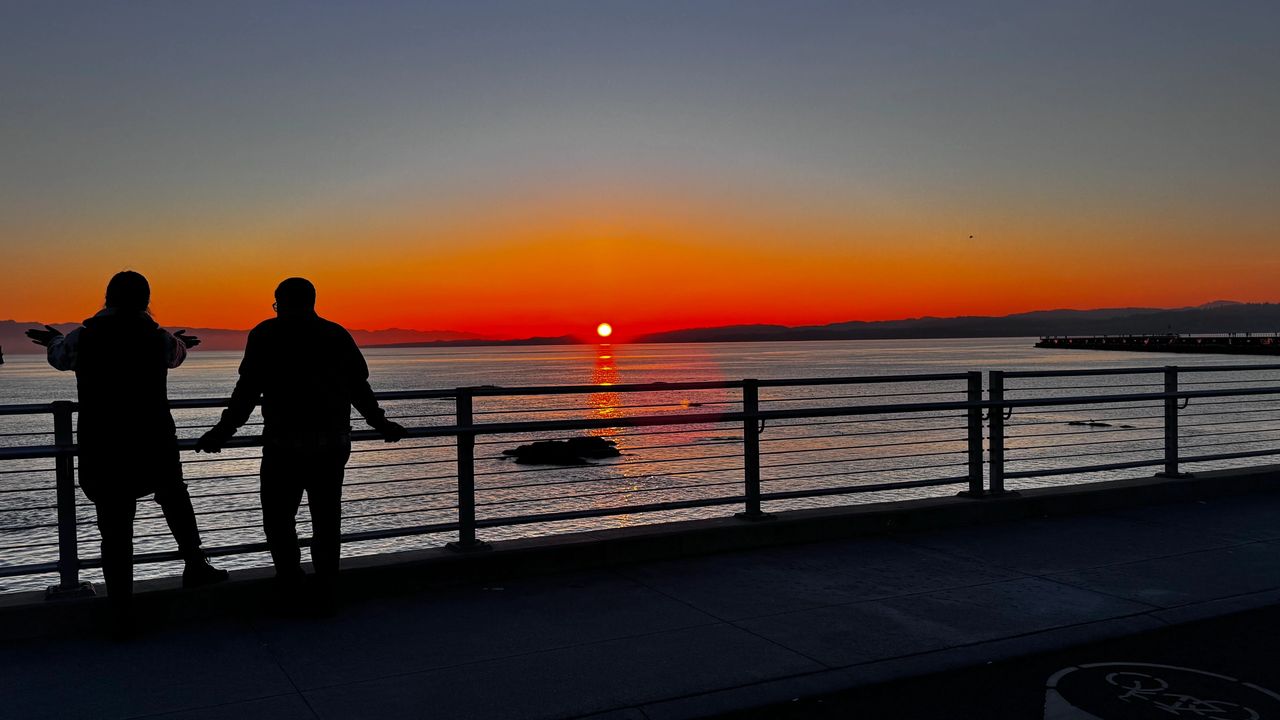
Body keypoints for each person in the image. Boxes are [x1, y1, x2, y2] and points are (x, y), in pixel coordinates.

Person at [26, 271, 228, 629]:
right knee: (174, 496)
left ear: (107, 298)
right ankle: (195, 565)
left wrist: (53, 340)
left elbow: (60, 356)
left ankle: (121, 611)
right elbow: (175, 355)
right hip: (153, 439)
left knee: (115, 530)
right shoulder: (158, 338)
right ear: (146, 301)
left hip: (103, 444)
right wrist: (180, 342)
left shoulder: (82, 338)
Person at [195, 278, 405, 599]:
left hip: (284, 446)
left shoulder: (265, 334)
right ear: (312, 301)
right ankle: (326, 591)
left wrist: (222, 432)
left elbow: (247, 392)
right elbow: (359, 389)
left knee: (278, 521)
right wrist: (381, 424)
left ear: (280, 302)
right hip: (332, 445)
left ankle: (292, 585)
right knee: (326, 520)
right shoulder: (336, 335)